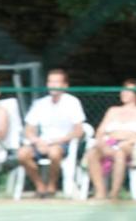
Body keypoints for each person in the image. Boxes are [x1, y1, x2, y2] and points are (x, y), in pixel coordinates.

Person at [17, 68, 87, 198]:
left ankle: (51, 185)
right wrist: (36, 141)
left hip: (63, 143)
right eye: (50, 81)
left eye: (57, 82)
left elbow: (79, 130)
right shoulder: (40, 103)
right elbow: (29, 129)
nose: (53, 85)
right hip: (41, 143)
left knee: (54, 152)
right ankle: (40, 186)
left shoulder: (72, 102)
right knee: (22, 154)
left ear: (65, 85)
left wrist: (57, 141)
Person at [87, 79, 136, 200]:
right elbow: (100, 131)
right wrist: (102, 142)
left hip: (129, 145)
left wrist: (131, 140)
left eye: (128, 91)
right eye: (123, 90)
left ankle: (114, 193)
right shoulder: (113, 110)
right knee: (93, 153)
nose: (124, 93)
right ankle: (100, 192)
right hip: (109, 143)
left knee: (120, 153)